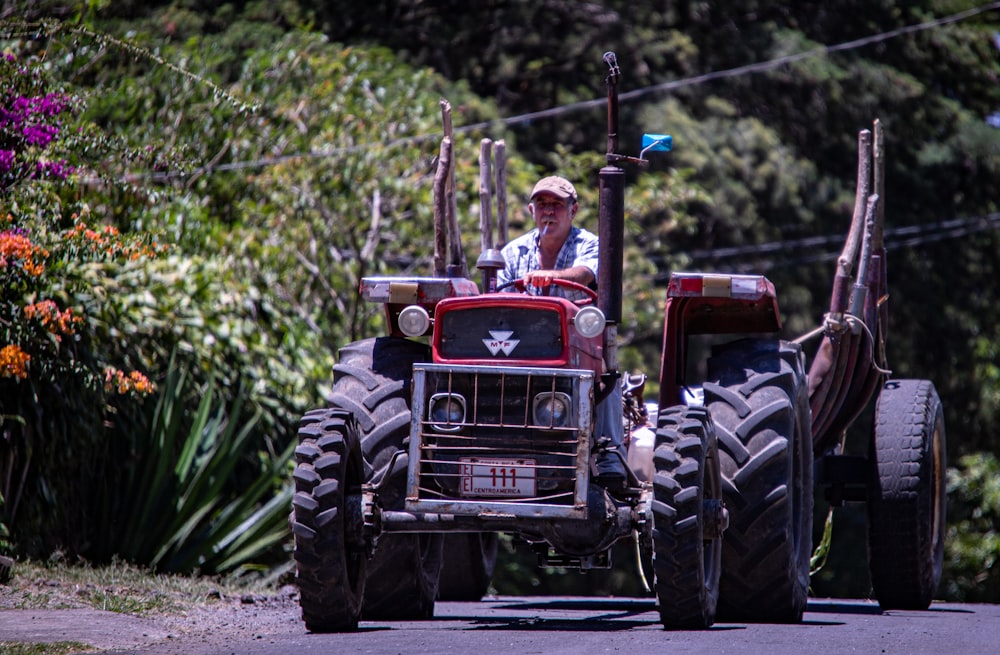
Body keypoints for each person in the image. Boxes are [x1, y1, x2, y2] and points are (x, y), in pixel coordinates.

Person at [497, 175, 628, 490]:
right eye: (542, 205)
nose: (549, 212)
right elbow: (498, 295)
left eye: (557, 205)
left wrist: (551, 276)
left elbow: (585, 273)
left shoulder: (590, 244)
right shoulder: (513, 252)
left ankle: (609, 452)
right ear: (531, 211)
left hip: (573, 347)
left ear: (574, 210)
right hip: (523, 347)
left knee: (605, 370)